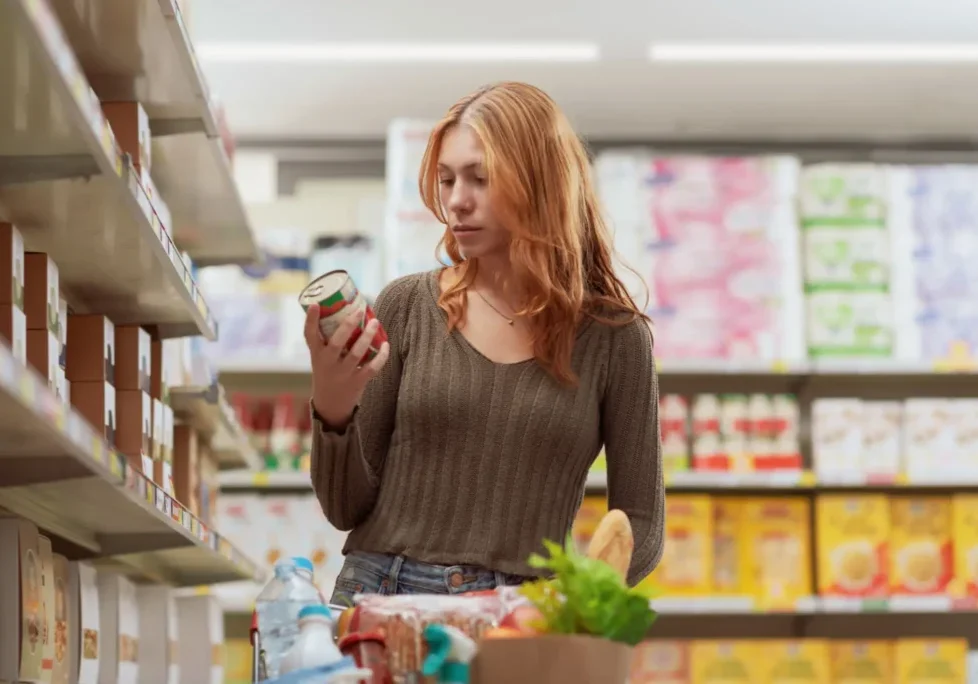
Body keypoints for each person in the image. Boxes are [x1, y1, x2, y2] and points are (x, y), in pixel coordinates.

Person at [305, 81, 665, 605]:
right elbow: (345, 509)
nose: (456, 199)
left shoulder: (615, 340)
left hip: (520, 612)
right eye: (447, 179)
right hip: (381, 593)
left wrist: (576, 603)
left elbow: (642, 522)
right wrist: (333, 408)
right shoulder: (408, 306)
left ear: (539, 182)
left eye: (481, 178)